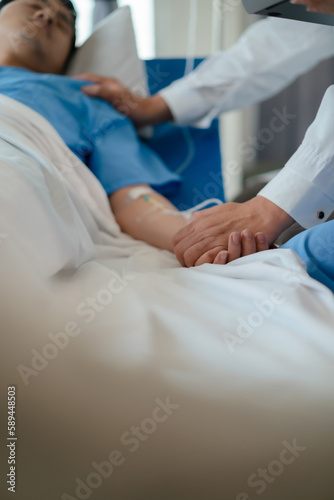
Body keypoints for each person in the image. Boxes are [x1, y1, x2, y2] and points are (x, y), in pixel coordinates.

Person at [0, 0, 269, 259]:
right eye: (34, 6)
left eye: (62, 23)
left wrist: (198, 241)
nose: (47, 16)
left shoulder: (89, 103)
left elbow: (132, 199)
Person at [79, 6, 334, 267]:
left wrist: (266, 210)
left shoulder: (87, 102)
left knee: (303, 255)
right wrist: (155, 107)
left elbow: (130, 194)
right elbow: (284, 41)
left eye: (63, 14)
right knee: (255, 197)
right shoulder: (81, 97)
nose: (46, 14)